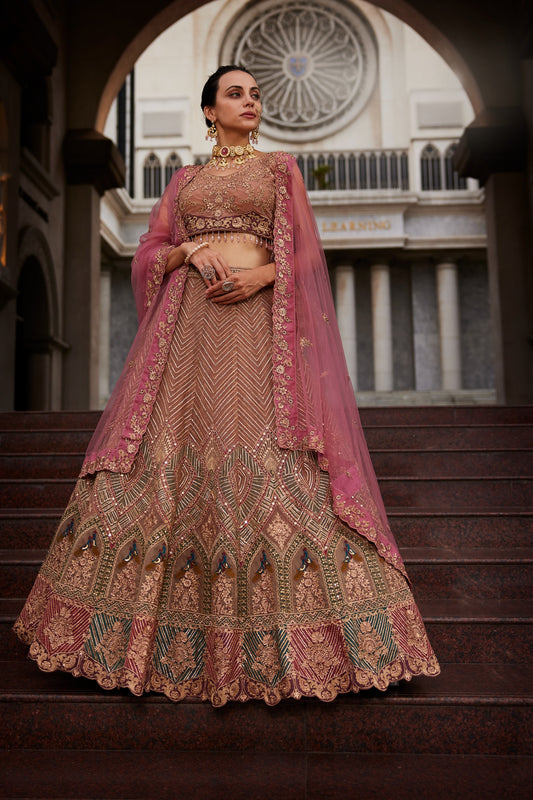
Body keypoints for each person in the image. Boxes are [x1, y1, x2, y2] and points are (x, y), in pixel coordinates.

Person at [14, 65, 440, 706]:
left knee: (271, 457)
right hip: (186, 335)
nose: (251, 103)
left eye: (256, 95)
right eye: (236, 94)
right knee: (162, 460)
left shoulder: (279, 172)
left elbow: (306, 256)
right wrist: (187, 254)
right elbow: (149, 251)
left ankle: (304, 643)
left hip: (257, 332)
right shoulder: (182, 182)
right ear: (209, 110)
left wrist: (263, 276)